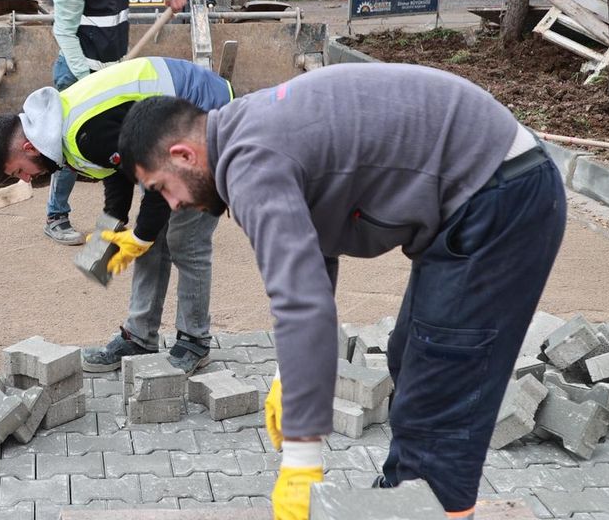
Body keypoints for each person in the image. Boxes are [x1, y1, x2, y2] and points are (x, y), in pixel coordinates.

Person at [116, 63, 567, 520]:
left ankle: (428, 502)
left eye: (162, 189)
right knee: (410, 356)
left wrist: (301, 462)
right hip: (485, 188)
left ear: (183, 154)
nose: (173, 205)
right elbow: (313, 262)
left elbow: (300, 301)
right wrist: (288, 378)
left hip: (500, 195)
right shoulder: (248, 131)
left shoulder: (248, 161)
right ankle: (405, 496)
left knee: (441, 391)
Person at [0, 57, 231, 373]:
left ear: (29, 147)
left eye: (19, 171)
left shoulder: (82, 131)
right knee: (151, 239)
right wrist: (114, 221)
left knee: (185, 240)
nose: (27, 179)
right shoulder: (60, 131)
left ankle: (194, 340)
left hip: (205, 116)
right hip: (167, 129)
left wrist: (140, 236)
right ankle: (139, 337)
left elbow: (159, 173)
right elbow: (116, 166)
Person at [41, 0, 187, 246]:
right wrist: (87, 80)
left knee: (118, 142)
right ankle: (56, 216)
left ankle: (114, 216)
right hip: (79, 74)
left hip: (115, 71)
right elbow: (64, 32)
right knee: (67, 149)